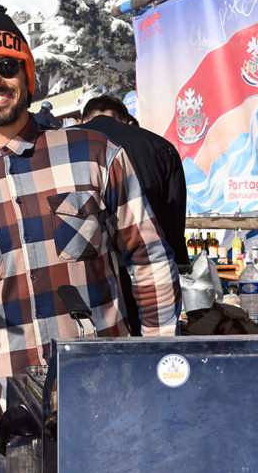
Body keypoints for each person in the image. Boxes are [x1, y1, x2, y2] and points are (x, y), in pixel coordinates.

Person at [0, 0, 181, 398]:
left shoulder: (95, 152)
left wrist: (159, 365)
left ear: (27, 75)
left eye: (7, 66)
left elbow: (151, 264)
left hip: (108, 388)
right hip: (10, 408)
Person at [80, 94, 189, 333]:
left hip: (95, 281)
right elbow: (174, 213)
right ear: (126, 120)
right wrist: (178, 259)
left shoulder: (70, 149)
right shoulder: (160, 147)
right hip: (154, 273)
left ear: (83, 119)